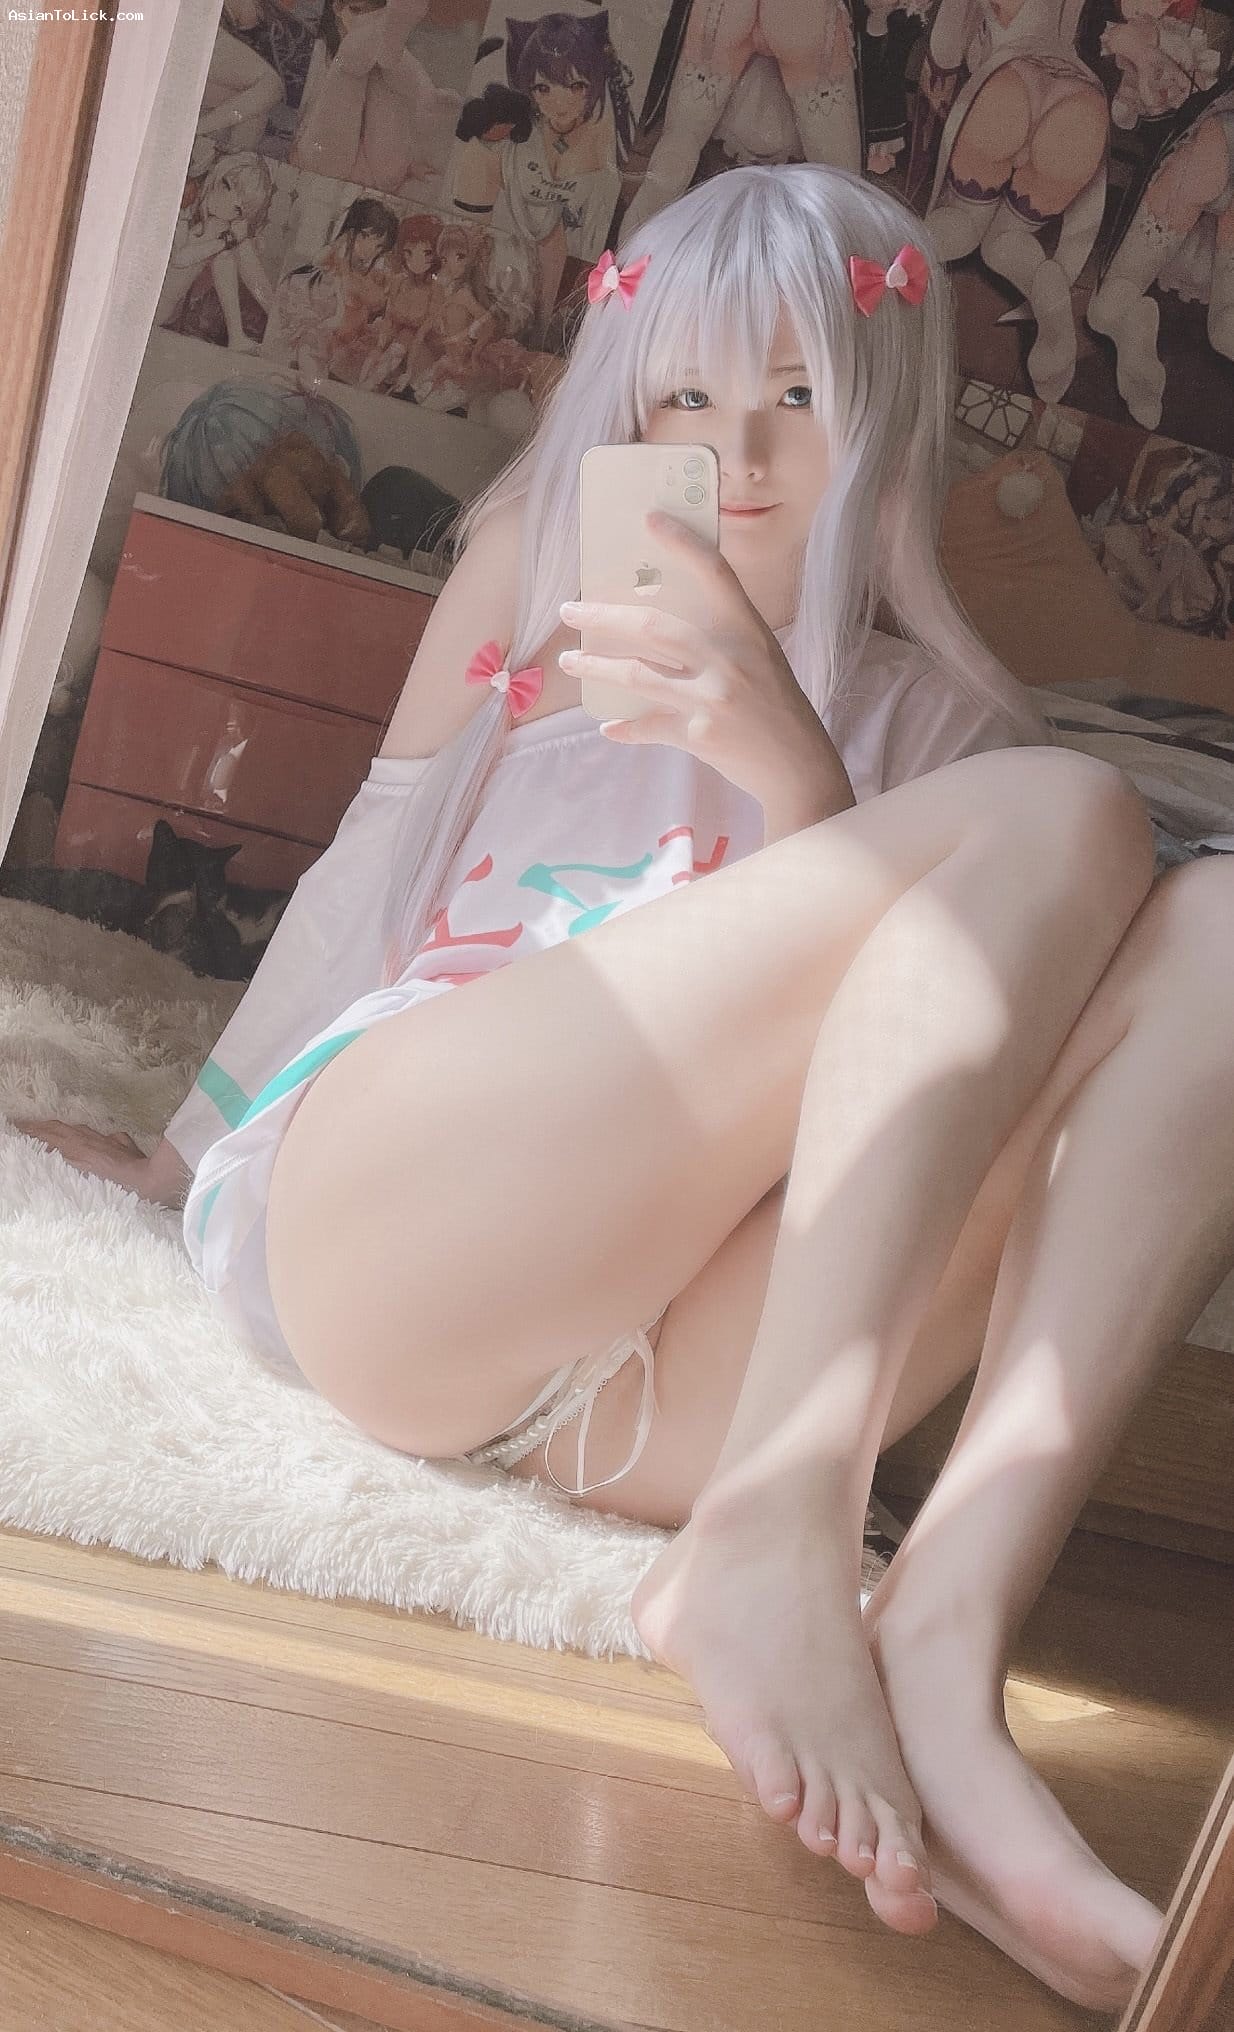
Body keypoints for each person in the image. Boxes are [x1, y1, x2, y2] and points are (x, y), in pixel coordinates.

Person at [19, 165, 1234, 2012]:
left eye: (797, 397)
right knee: (1073, 816)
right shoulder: (538, 579)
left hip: (673, 1392)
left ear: (882, 413)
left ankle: (937, 1638)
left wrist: (797, 774)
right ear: (627, 403)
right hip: (415, 1241)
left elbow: (856, 1122)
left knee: (1215, 922)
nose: (736, 457)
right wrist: (189, 1149)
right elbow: (368, 872)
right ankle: (793, 1531)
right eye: (685, 397)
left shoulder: (947, 735)